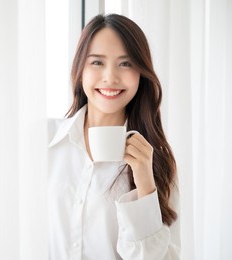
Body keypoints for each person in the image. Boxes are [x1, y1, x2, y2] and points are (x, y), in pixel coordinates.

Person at [48, 14, 180, 259]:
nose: (110, 77)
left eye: (126, 63)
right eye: (97, 62)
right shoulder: (44, 141)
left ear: (141, 73)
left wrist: (145, 186)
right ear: (79, 69)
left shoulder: (157, 162)